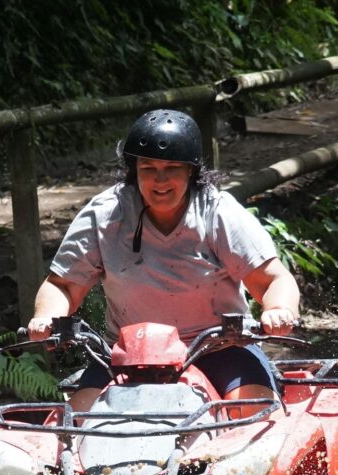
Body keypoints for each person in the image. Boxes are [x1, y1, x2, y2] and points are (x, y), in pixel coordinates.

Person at [27, 108, 301, 413]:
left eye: (172, 167)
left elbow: (273, 279)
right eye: (148, 168)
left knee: (255, 415)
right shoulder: (105, 214)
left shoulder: (217, 212)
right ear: (134, 171)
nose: (160, 180)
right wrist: (46, 318)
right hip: (127, 356)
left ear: (191, 171)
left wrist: (279, 310)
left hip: (219, 348)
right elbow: (62, 285)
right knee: (75, 424)